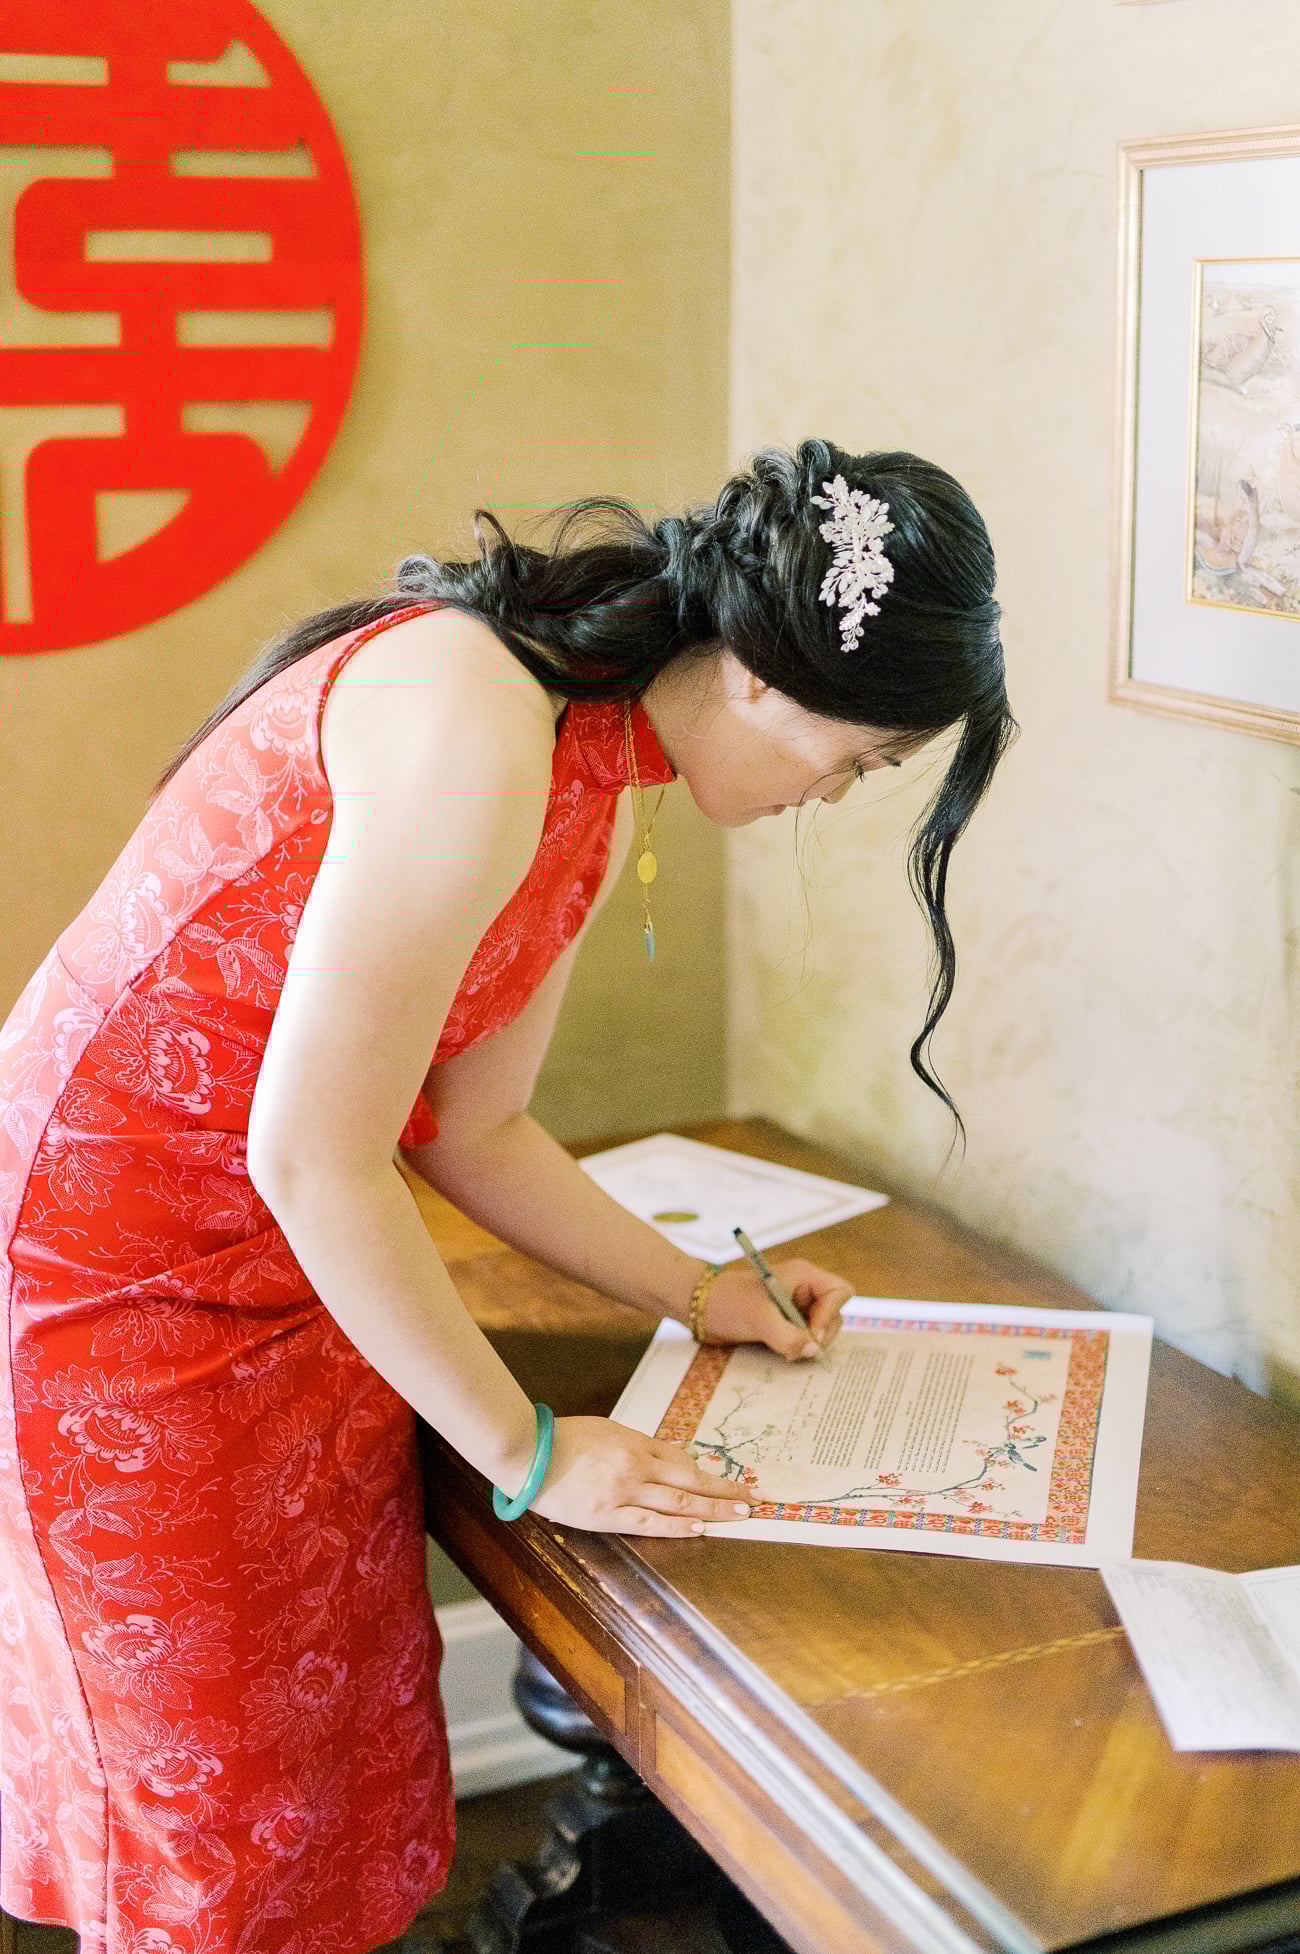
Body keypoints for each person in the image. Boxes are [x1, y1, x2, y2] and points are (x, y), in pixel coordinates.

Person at [0, 437, 1013, 1954]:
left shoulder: (587, 766)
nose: (838, 796)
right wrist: (531, 1451)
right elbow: (312, 1151)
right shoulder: (484, 723)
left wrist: (700, 1291)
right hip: (122, 1284)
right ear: (760, 677)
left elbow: (478, 1131)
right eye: (860, 760)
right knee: (206, 1795)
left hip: (297, 1261)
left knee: (307, 1761)